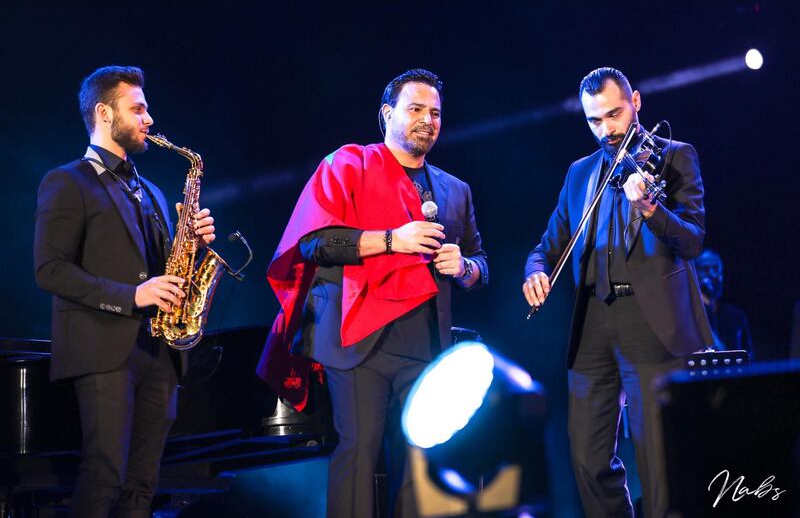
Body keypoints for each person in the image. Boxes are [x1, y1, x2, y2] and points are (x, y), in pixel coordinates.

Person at [256, 68, 488, 517]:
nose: (428, 120)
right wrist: (390, 240)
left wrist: (464, 268)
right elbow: (313, 243)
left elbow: (482, 264)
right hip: (358, 337)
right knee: (359, 452)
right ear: (387, 114)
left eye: (435, 112)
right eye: (416, 109)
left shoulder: (456, 190)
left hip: (426, 344)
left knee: (421, 464)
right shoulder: (348, 164)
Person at [522, 67, 713, 518]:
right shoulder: (579, 173)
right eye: (594, 121)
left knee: (658, 460)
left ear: (637, 102)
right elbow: (548, 245)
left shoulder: (674, 156)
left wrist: (650, 208)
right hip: (592, 323)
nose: (607, 130)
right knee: (587, 457)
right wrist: (535, 271)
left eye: (614, 114)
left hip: (650, 321)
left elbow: (692, 239)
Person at [34, 65, 216, 518]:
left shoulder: (152, 190)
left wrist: (192, 245)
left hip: (158, 352)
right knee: (104, 476)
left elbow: (163, 272)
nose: (148, 119)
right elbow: (50, 270)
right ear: (103, 113)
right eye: (137, 109)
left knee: (142, 485)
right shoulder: (67, 180)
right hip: (103, 349)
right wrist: (132, 295)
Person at [695, 248, 754, 356]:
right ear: (695, 274)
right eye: (705, 269)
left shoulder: (736, 316)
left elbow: (749, 357)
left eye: (716, 268)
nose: (712, 274)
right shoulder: (688, 315)